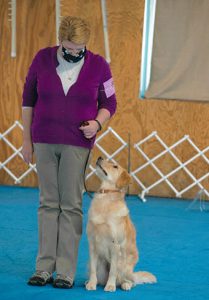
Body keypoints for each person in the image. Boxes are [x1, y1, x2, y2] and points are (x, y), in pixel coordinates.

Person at [22, 16, 117, 289]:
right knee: (48, 203)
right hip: (44, 140)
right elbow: (28, 100)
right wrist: (26, 141)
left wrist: (98, 123)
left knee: (71, 205)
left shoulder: (99, 65)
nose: (75, 51)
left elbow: (110, 101)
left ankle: (65, 271)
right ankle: (43, 267)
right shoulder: (42, 59)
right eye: (70, 46)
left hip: (77, 142)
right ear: (60, 40)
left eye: (80, 47)